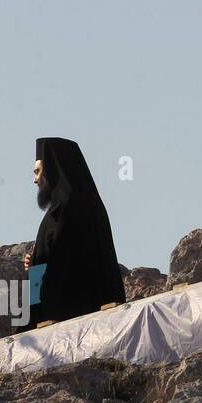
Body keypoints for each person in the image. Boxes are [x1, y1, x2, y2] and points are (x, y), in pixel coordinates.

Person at [21, 137, 126, 326]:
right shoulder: (92, 207)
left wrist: (34, 267)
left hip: (64, 323)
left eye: (38, 172)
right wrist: (36, 260)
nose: (35, 179)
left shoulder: (62, 212)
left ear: (52, 169)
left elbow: (59, 269)